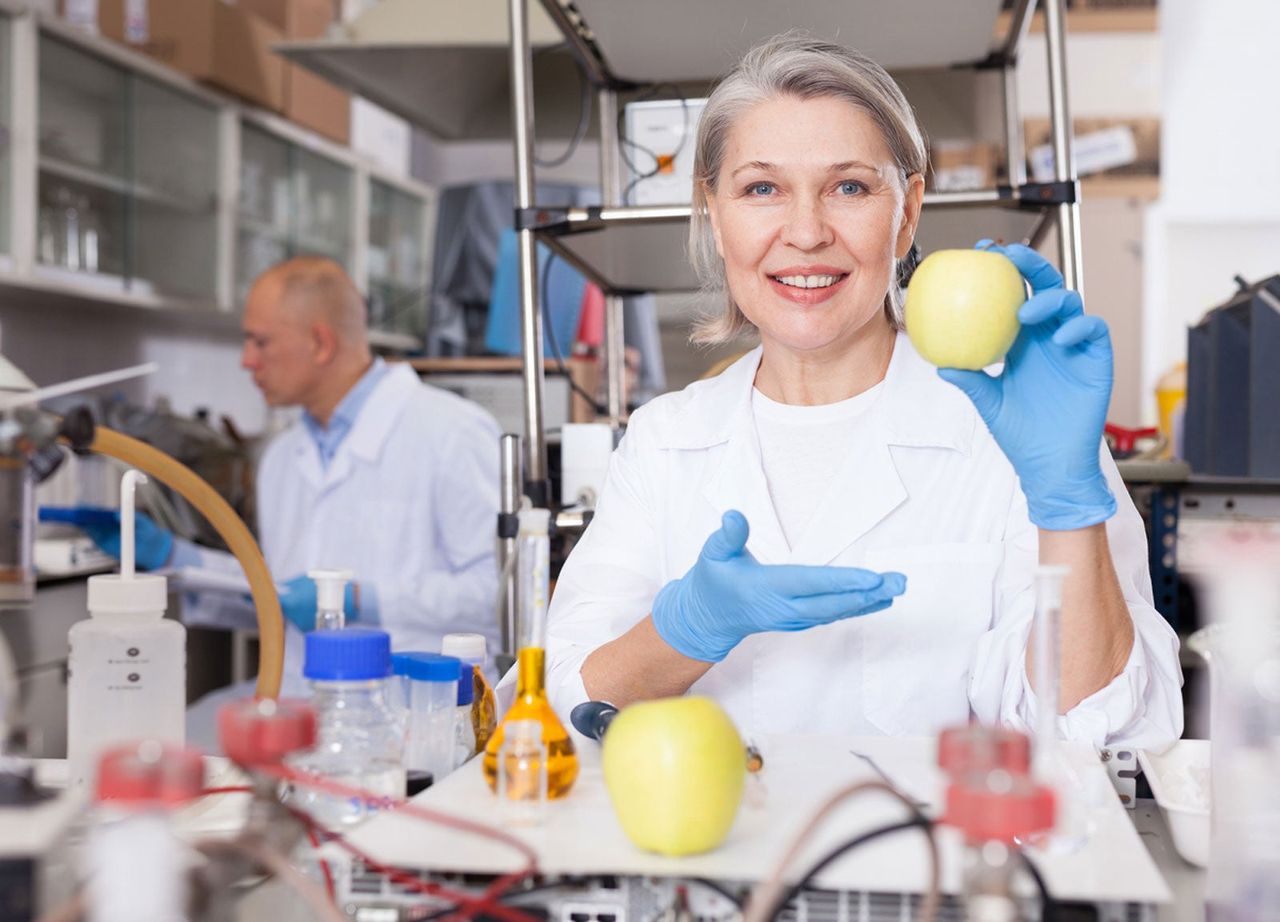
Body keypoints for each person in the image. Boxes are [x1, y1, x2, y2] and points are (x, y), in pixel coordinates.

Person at [541, 35, 1182, 748]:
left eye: (849, 186)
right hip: (704, 855)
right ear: (715, 216)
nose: (807, 233)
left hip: (944, 858)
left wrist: (1067, 504)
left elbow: (1100, 728)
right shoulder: (665, 443)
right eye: (761, 189)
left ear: (906, 213)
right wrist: (687, 629)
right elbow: (565, 699)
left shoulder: (1018, 432)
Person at [84, 257, 503, 704]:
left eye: (259, 342)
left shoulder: (451, 433)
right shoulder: (282, 457)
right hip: (303, 714)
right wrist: (172, 555)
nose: (247, 361)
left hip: (422, 714)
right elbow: (278, 599)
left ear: (320, 343)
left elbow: (497, 595)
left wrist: (364, 599)